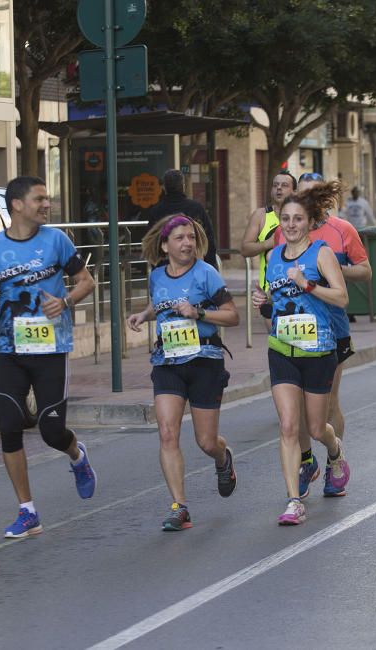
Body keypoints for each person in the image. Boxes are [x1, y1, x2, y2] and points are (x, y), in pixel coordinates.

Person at [0, 176, 97, 538]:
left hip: (51, 348)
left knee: (51, 430)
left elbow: (86, 281)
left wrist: (66, 301)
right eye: (39, 199)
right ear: (17, 205)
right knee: (9, 426)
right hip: (10, 349)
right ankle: (28, 511)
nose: (47, 204)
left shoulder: (56, 240)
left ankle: (77, 456)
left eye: (47, 198)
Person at [127, 215, 239, 531]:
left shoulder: (207, 274)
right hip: (167, 361)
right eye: (179, 238)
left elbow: (233, 316)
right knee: (167, 432)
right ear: (165, 245)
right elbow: (158, 305)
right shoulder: (157, 276)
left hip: (205, 359)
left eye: (190, 237)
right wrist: (144, 315)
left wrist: (199, 312)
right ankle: (180, 507)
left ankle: (222, 457)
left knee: (206, 441)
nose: (187, 243)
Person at [251, 180, 351, 525]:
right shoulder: (272, 256)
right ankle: (294, 500)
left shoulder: (321, 253)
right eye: (286, 218)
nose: (291, 224)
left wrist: (308, 284)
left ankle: (334, 450)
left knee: (315, 425)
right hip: (282, 348)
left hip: (319, 349)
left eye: (298, 219)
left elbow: (341, 298)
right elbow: (274, 302)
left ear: (310, 222)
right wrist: (262, 302)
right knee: (289, 426)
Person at [291, 173, 371, 499]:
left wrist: (330, 272)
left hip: (333, 328)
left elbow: (365, 271)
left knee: (326, 404)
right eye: (303, 194)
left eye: (315, 194)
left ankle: (333, 462)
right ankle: (305, 461)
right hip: (295, 328)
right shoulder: (290, 231)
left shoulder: (342, 230)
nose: (309, 201)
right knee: (295, 406)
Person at [144, 169, 219, 268]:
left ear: (164, 188)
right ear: (183, 186)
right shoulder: (196, 209)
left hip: (166, 268)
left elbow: (152, 244)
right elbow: (208, 240)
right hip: (192, 267)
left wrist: (156, 267)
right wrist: (211, 266)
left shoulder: (156, 211)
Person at [241, 170, 297, 297]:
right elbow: (245, 249)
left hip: (297, 288)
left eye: (284, 185)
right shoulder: (260, 215)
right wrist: (268, 243)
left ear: (294, 191)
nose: (279, 188)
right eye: (275, 185)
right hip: (269, 291)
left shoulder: (302, 217)